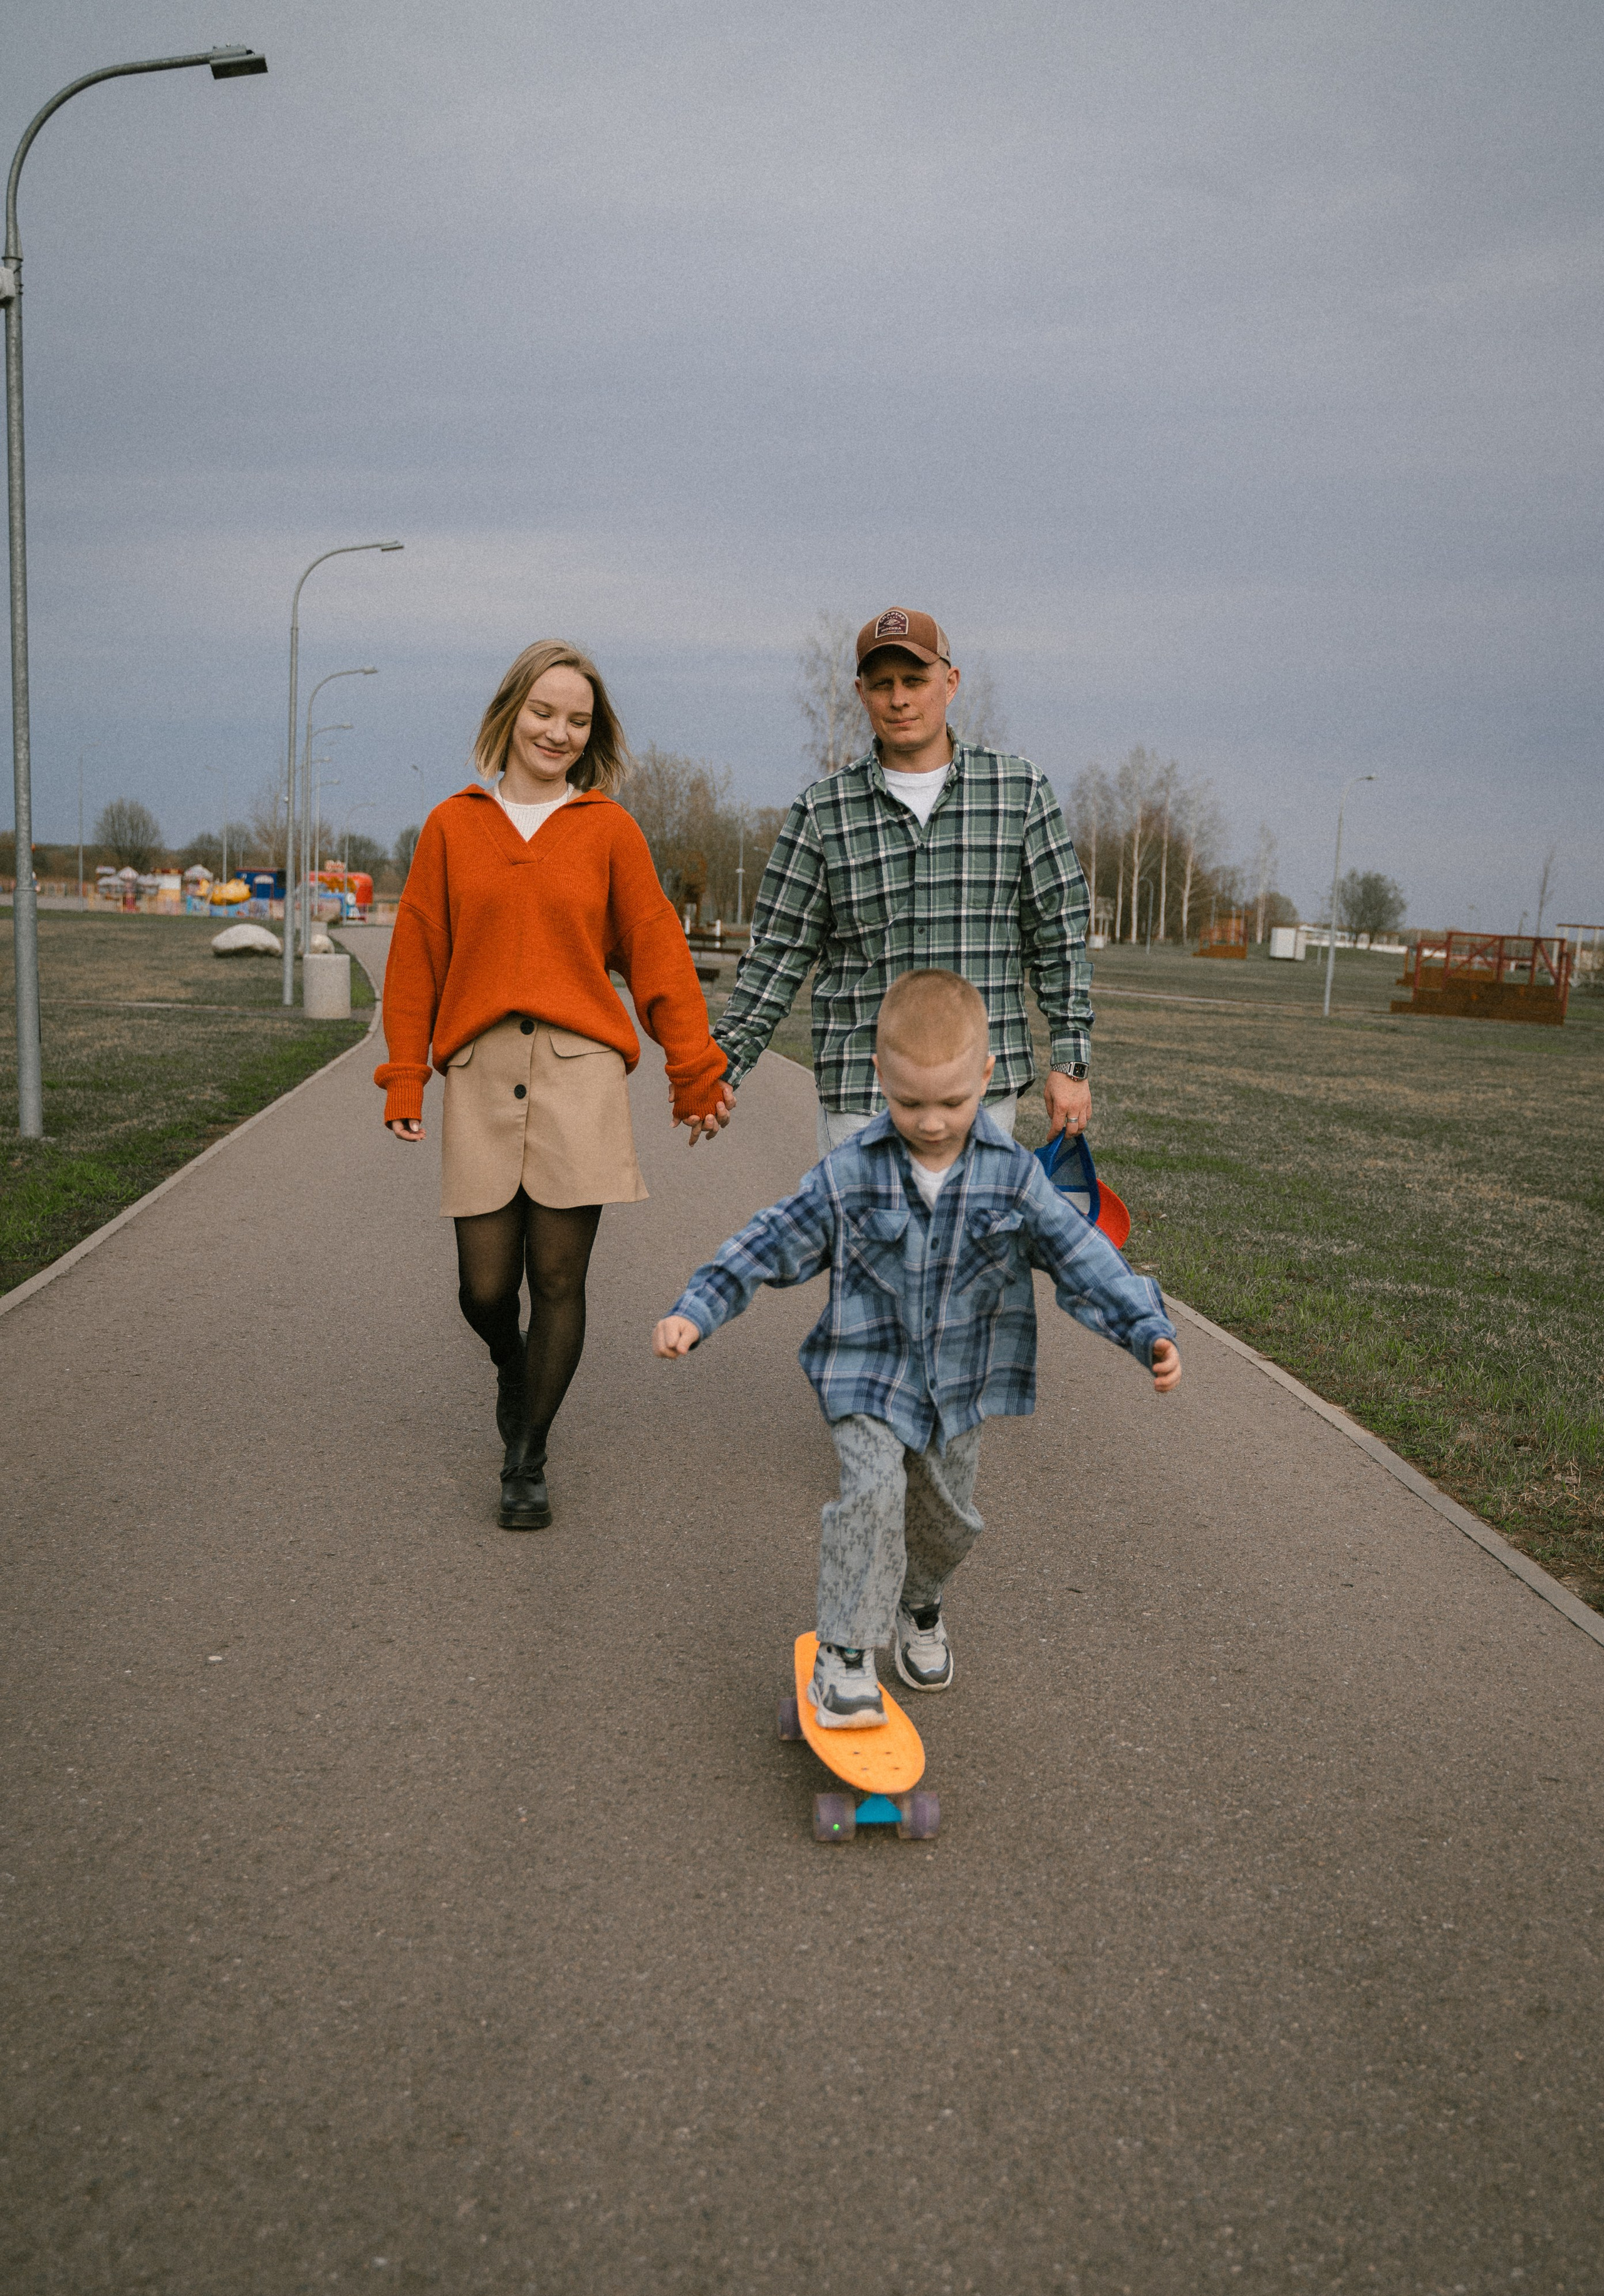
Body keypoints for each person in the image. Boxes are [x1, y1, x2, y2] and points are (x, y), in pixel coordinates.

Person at [654, 970, 1179, 1726]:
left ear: (986, 1077)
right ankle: (844, 1656)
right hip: (867, 1372)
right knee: (870, 1496)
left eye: (951, 1103)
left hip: (962, 1384)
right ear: (880, 1077)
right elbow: (771, 1239)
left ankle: (921, 1602)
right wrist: (697, 1309)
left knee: (947, 1521)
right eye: (909, 1104)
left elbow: (1082, 1257)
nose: (931, 1123)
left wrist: (1145, 1329)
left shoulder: (1012, 1178)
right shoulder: (852, 1173)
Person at [380, 637, 735, 1532]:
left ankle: (527, 1456)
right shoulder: (452, 826)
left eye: (577, 720)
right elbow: (417, 955)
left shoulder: (609, 830)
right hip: (481, 1071)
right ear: (510, 713)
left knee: (558, 1278)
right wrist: (405, 1075)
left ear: (592, 733)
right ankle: (513, 1366)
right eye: (543, 712)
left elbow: (656, 952)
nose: (558, 732)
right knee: (485, 1290)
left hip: (581, 1075)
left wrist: (694, 1071)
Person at [712, 605, 1094, 1162]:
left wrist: (1071, 1064)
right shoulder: (823, 811)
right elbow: (777, 954)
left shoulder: (1020, 793)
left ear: (951, 682)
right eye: (882, 684)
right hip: (863, 1099)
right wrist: (721, 1066)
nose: (899, 699)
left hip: (980, 1097)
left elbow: (1060, 939)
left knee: (971, 1227)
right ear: (861, 692)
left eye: (915, 680)